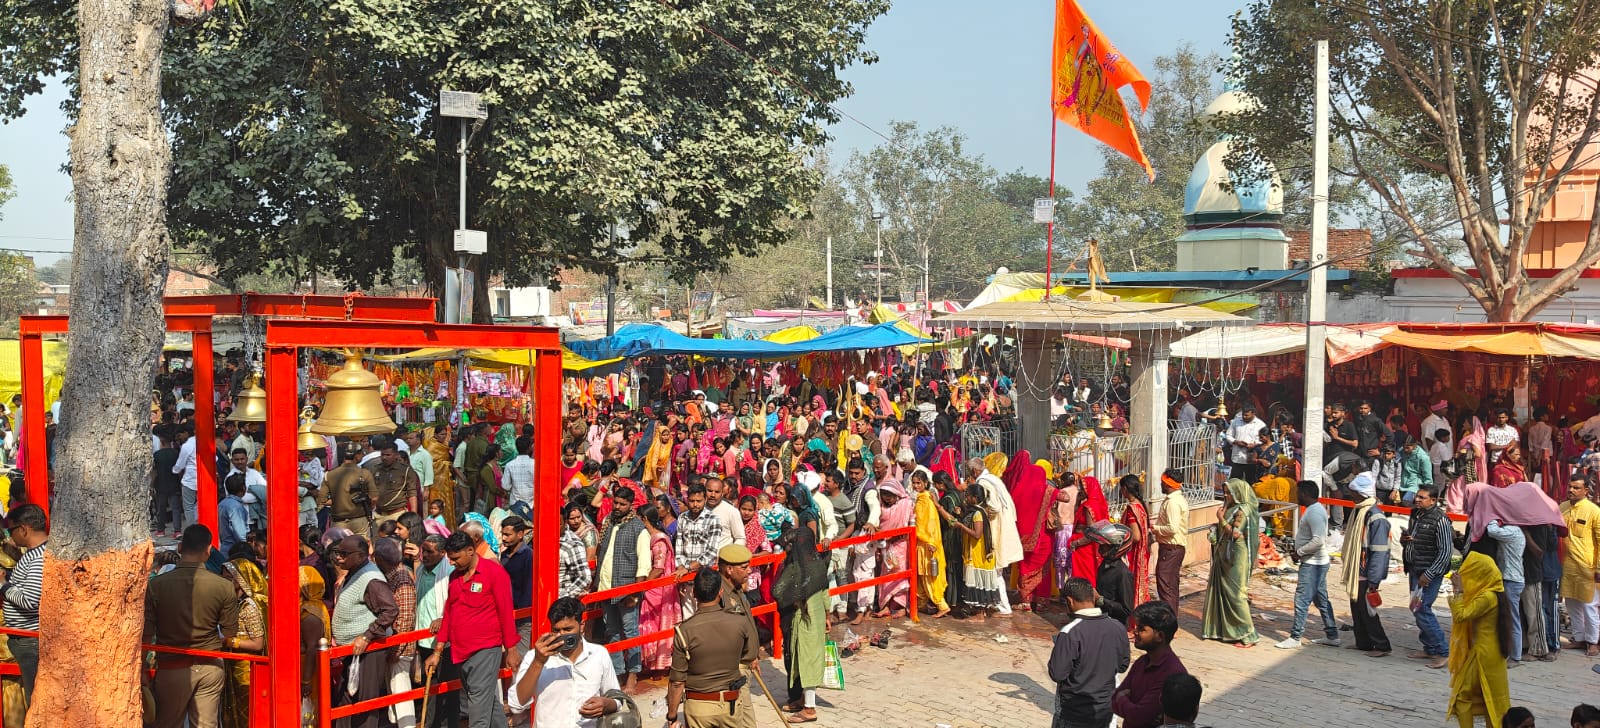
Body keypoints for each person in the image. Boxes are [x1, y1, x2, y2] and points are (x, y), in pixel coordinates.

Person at [145, 525, 238, 728]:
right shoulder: (224, 586)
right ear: (208, 549)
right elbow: (230, 631)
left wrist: (142, 669)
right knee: (206, 724)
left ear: (180, 547)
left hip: (171, 667)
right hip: (210, 665)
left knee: (168, 724)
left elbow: (146, 633)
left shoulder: (156, 586)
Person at [425, 531, 520, 728]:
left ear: (470, 551)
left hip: (485, 649)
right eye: (450, 558)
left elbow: (505, 612)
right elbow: (449, 614)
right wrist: (437, 651)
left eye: (455, 558)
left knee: (477, 708)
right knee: (486, 701)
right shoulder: (454, 577)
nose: (451, 562)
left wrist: (511, 649)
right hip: (460, 652)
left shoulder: (494, 573)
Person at [507, 596, 623, 728]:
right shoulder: (534, 657)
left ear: (581, 626)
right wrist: (538, 662)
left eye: (568, 629)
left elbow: (617, 699)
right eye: (556, 630)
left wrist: (605, 705)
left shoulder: (599, 654)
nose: (562, 635)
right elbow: (516, 705)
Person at [665, 567, 758, 728]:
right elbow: (749, 655)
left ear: (694, 593)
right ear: (721, 592)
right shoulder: (740, 623)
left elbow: (677, 682)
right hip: (730, 704)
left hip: (698, 707)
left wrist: (672, 716)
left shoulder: (684, 631)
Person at [329, 535, 399, 728]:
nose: (339, 557)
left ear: (360, 556)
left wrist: (367, 636)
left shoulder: (371, 579)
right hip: (350, 650)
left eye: (344, 554)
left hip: (369, 650)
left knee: (365, 702)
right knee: (345, 699)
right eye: (337, 553)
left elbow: (390, 610)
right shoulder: (353, 572)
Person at [1046, 577, 1130, 728]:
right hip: (1105, 708)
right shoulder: (1117, 627)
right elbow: (1123, 665)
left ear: (1070, 601)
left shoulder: (1069, 632)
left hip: (1075, 712)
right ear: (1093, 597)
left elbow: (1057, 673)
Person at [773, 522, 830, 724]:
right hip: (817, 618)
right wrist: (827, 616)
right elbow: (825, 594)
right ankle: (802, 699)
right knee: (807, 658)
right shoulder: (819, 564)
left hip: (803, 620)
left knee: (806, 660)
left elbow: (778, 591)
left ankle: (809, 708)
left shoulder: (795, 569)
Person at [594, 485, 649, 691]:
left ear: (630, 505)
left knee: (630, 631)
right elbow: (601, 554)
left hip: (627, 590)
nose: (617, 507)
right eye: (615, 502)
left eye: (622, 504)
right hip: (606, 586)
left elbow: (644, 564)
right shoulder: (608, 522)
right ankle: (616, 673)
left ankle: (633, 674)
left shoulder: (638, 529)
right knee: (611, 631)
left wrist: (635, 593)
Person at [1448, 551, 1511, 728]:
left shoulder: (1487, 597)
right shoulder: (1493, 592)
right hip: (1490, 652)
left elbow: (1461, 615)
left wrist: (1459, 591)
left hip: (1482, 654)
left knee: (1462, 697)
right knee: (1488, 697)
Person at [1277, 481, 1341, 649]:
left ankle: (1296, 636)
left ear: (1304, 494)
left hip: (1313, 564)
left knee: (1302, 600)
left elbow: (1318, 540)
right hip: (1316, 562)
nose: (1296, 496)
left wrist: (1299, 552)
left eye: (1298, 493)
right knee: (1321, 600)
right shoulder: (1315, 510)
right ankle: (1332, 635)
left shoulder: (1314, 513)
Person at [1200, 479, 1259, 647]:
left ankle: (1248, 634)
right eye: (1225, 492)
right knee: (1222, 591)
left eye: (1229, 493)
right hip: (1223, 553)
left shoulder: (1243, 510)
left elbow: (1235, 533)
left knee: (1236, 595)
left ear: (1237, 493)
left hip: (1236, 556)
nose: (1226, 495)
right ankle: (1224, 630)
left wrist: (1220, 518)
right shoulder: (1230, 507)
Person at [1113, 601, 1189, 728]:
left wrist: (1122, 698)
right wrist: (1126, 703)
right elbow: (1114, 700)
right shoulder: (1142, 662)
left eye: (1142, 629)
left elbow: (1138, 716)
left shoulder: (1171, 673)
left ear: (1159, 636)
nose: (1135, 632)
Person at [1340, 473, 1391, 657]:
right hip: (1357, 569)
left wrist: (1374, 579)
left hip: (1366, 571)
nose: (1351, 495)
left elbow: (1380, 551)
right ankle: (1363, 642)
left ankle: (1382, 645)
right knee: (1357, 608)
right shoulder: (1360, 512)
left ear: (1361, 493)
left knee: (1367, 610)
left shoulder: (1376, 517)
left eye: (1353, 492)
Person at [1403, 484, 1453, 668]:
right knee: (1416, 607)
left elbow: (1445, 551)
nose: (1417, 500)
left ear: (1433, 500)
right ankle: (1430, 648)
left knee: (1423, 608)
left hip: (1428, 572)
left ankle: (1443, 651)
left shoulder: (1441, 520)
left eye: (1422, 497)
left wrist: (1430, 574)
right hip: (1415, 569)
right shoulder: (1416, 515)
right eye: (1417, 496)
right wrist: (1405, 541)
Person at [0, 503, 46, 707]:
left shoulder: (38, 558)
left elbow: (30, 600)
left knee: (34, 698)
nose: (10, 536)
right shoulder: (34, 554)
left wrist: (3, 585)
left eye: (11, 530)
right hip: (25, 637)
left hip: (29, 640)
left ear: (24, 529)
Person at [372, 538, 417, 728]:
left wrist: (395, 649)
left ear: (380, 558)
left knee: (401, 690)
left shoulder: (402, 579)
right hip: (393, 645)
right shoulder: (389, 577)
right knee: (393, 691)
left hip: (401, 648)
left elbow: (405, 619)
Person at [414, 534, 457, 728]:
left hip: (444, 642)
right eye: (423, 550)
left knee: (447, 688)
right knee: (429, 687)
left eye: (430, 552)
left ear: (442, 553)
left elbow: (455, 603)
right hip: (424, 639)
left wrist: (443, 618)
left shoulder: (450, 573)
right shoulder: (421, 570)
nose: (424, 555)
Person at [219, 558, 268, 728]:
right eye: (223, 577)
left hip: (246, 670)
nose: (224, 581)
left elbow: (258, 644)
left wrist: (229, 641)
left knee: (247, 712)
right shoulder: (234, 603)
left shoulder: (249, 607)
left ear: (240, 580)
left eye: (229, 578)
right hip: (233, 665)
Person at [639, 503, 680, 673]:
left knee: (654, 624)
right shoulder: (649, 537)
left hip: (658, 589)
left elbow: (659, 567)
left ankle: (659, 663)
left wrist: (644, 585)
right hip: (653, 587)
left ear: (644, 519)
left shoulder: (659, 540)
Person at [1561, 477, 1600, 657]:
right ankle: (1579, 638)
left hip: (1587, 568)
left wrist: (1598, 568)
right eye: (1570, 486)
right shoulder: (1562, 507)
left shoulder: (1594, 511)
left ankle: (1593, 642)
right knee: (1571, 603)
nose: (1571, 490)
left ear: (1586, 491)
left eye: (1576, 488)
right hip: (1567, 566)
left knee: (1589, 606)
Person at [674, 484, 724, 616]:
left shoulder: (713, 520)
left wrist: (688, 568)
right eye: (692, 501)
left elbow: (711, 552)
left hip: (704, 579)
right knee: (688, 616)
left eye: (699, 501)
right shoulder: (682, 518)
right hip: (686, 579)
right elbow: (679, 546)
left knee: (706, 616)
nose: (695, 504)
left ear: (705, 500)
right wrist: (681, 569)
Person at [909, 467, 950, 618]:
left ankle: (942, 605)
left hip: (927, 543)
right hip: (922, 542)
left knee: (928, 577)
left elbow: (930, 523)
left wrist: (930, 541)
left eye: (919, 483)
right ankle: (920, 604)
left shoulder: (925, 499)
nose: (916, 486)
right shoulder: (922, 498)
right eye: (914, 483)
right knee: (921, 576)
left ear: (925, 483)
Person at [1151, 469, 1190, 614]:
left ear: (1168, 484)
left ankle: (1168, 618)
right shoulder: (1176, 500)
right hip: (1173, 548)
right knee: (1171, 585)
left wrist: (1155, 528)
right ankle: (1171, 617)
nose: (1160, 485)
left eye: (1162, 482)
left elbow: (1172, 528)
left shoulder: (1173, 502)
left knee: (1166, 585)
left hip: (1171, 548)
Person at [325, 443, 379, 538]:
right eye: (361, 454)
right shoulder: (365, 473)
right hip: (360, 520)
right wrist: (368, 508)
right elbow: (374, 498)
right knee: (361, 545)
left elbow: (323, 500)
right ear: (357, 456)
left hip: (338, 522)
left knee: (340, 545)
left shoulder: (330, 475)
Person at [1117, 474, 1151, 611]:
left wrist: (1120, 537)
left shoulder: (1132, 508)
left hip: (1133, 553)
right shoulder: (1140, 505)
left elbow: (1136, 536)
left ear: (1125, 489)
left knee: (1131, 585)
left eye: (1121, 488)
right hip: (1142, 552)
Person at [218, 473, 250, 557]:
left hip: (224, 547)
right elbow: (240, 534)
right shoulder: (236, 507)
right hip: (235, 551)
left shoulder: (222, 503)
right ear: (243, 488)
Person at [502, 438, 536, 511]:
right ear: (529, 448)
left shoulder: (509, 465)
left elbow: (505, 486)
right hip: (532, 504)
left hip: (515, 504)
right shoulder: (535, 464)